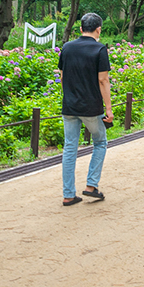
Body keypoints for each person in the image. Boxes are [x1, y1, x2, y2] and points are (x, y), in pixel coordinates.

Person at [58, 12, 114, 207]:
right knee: (100, 142)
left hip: (69, 106)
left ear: (81, 29)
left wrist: (69, 97)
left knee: (70, 147)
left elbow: (63, 77)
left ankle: (68, 195)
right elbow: (103, 80)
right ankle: (91, 186)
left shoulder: (66, 48)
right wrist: (109, 108)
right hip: (91, 107)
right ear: (98, 29)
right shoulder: (100, 50)